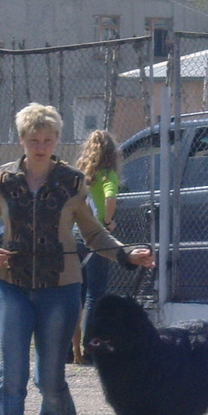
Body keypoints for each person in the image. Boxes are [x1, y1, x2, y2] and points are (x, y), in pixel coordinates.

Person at [0, 103, 154, 415]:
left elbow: (94, 234)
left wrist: (125, 253)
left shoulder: (72, 182)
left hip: (60, 290)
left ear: (56, 141)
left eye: (47, 140)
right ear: (21, 140)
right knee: (11, 383)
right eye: (33, 140)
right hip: (11, 287)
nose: (40, 147)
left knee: (49, 382)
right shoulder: (1, 180)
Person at [73, 129, 120, 343]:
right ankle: (89, 346)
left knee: (77, 292)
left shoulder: (81, 175)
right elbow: (110, 197)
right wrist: (108, 220)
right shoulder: (107, 174)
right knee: (95, 292)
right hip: (97, 237)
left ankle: (67, 348)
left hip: (76, 234)